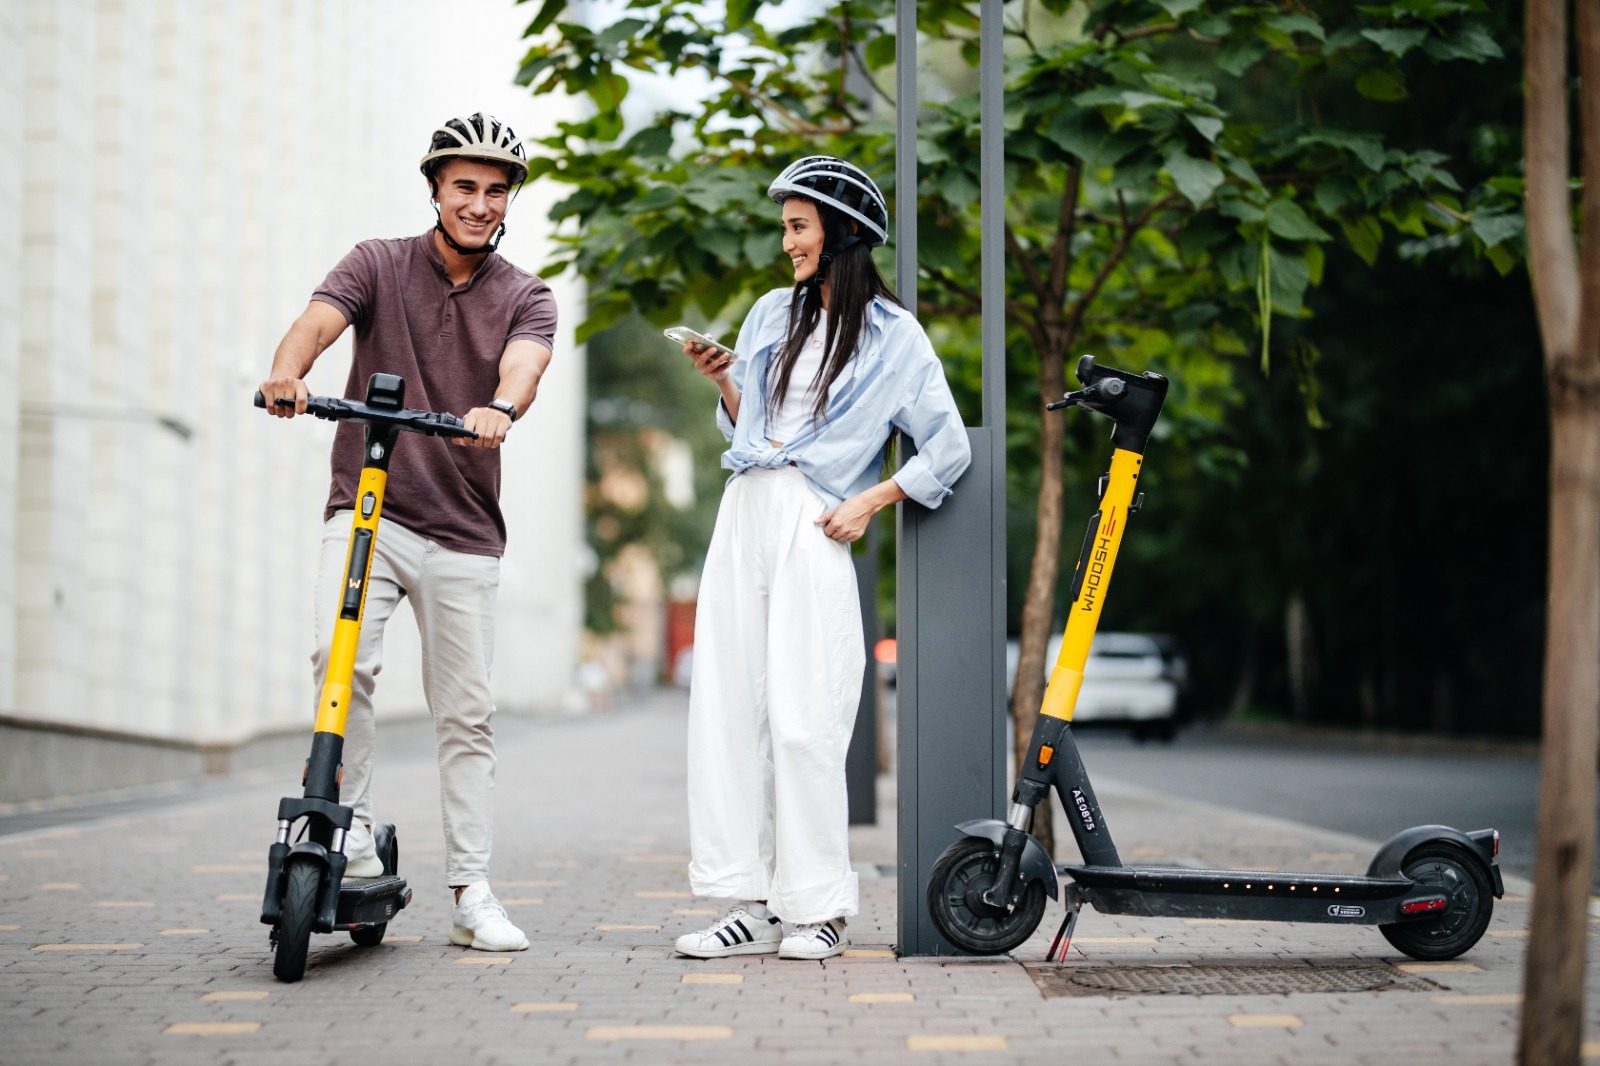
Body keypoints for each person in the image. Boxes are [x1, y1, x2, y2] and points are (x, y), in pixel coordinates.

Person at [257, 113, 556, 952]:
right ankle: (346, 827)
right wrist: (289, 371)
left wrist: (501, 406)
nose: (480, 203)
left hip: (463, 528)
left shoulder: (527, 294)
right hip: (369, 509)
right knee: (338, 660)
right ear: (435, 188)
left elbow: (524, 364)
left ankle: (472, 889)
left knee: (466, 715)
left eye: (496, 191)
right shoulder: (378, 262)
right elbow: (319, 320)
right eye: (465, 187)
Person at [673, 156, 972, 961]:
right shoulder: (772, 312)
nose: (788, 243)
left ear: (842, 233)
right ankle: (741, 899)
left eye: (798, 227)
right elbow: (749, 428)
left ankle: (819, 909)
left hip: (814, 517)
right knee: (727, 709)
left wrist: (871, 500)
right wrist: (728, 383)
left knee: (807, 718)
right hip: (745, 510)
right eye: (786, 228)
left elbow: (945, 446)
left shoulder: (894, 337)